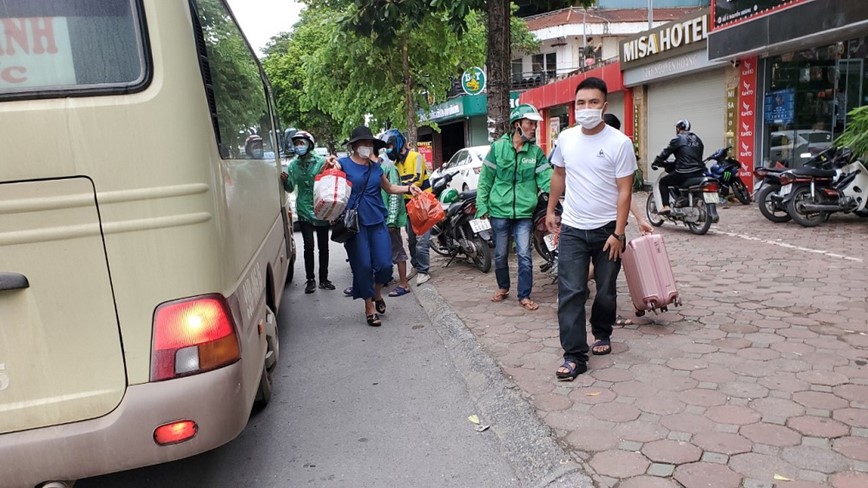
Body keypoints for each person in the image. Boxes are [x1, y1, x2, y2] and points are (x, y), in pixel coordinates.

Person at [547, 77, 637, 380]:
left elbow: (625, 190)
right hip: (572, 227)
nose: (586, 108)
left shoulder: (620, 143)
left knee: (606, 292)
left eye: (593, 102)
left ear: (604, 105)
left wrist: (619, 233)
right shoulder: (566, 139)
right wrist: (551, 209)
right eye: (581, 103)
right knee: (571, 291)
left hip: (607, 230)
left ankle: (602, 331)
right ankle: (574, 355)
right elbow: (559, 174)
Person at [322, 126, 421, 326]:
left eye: (370, 144)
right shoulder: (343, 165)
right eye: (364, 144)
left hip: (378, 222)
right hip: (355, 226)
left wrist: (409, 188)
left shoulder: (376, 168)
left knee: (385, 265)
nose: (367, 147)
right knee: (364, 266)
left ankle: (377, 294)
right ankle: (369, 307)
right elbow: (328, 177)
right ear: (354, 146)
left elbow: (390, 187)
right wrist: (327, 164)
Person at [477, 103, 552, 311]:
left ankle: (524, 295)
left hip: (524, 213)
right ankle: (503, 287)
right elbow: (485, 179)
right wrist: (481, 205)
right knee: (500, 255)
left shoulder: (535, 153)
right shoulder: (498, 148)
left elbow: (547, 179)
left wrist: (559, 194)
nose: (534, 128)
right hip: (499, 211)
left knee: (525, 255)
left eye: (535, 124)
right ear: (517, 125)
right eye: (530, 123)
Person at [281, 130, 334, 294]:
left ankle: (323, 279)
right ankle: (310, 279)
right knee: (308, 246)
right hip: (304, 209)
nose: (298, 146)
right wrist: (285, 180)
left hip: (320, 208)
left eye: (301, 143)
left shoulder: (321, 162)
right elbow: (290, 188)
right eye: (296, 143)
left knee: (323, 247)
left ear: (309, 144)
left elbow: (329, 180)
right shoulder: (293, 165)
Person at [383, 129, 432, 286]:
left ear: (397, 143)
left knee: (422, 241)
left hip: (423, 205)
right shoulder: (395, 164)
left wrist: (397, 186)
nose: (388, 149)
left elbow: (416, 180)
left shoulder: (416, 157)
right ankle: (417, 267)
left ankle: (424, 271)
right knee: (411, 240)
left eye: (390, 145)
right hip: (408, 207)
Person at [654, 119, 705, 215]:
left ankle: (666, 206)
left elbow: (666, 152)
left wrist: (656, 162)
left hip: (684, 172)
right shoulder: (698, 139)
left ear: (678, 128)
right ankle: (682, 198)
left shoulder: (678, 139)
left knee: (663, 182)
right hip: (699, 171)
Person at [380, 151, 412, 297]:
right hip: (380, 218)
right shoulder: (375, 167)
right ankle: (386, 278)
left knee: (397, 250)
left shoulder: (388, 168)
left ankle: (403, 284)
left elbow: (394, 193)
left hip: (389, 218)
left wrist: (391, 219)